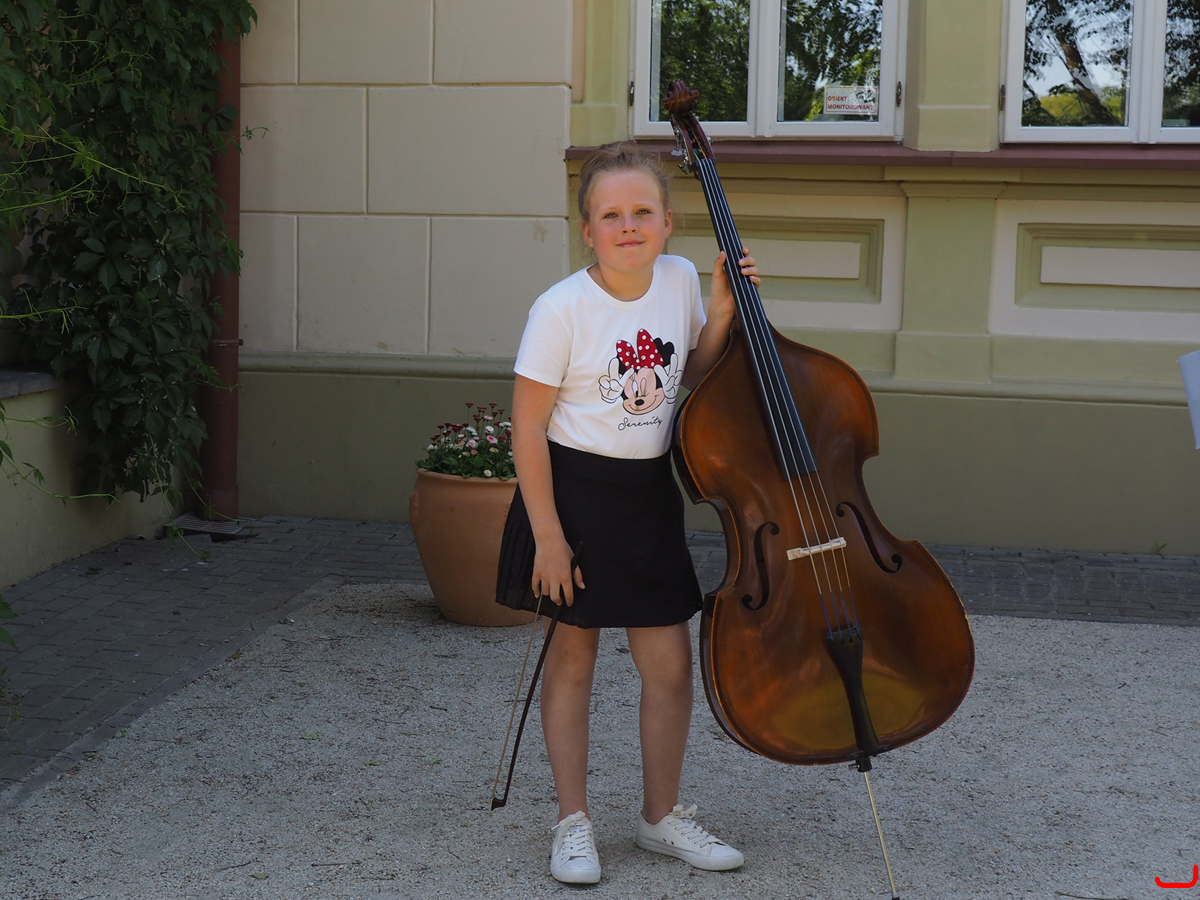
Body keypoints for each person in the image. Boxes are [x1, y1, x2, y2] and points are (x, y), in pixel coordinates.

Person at [495, 141, 760, 884]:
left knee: (669, 665)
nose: (628, 225)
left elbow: (688, 377)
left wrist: (720, 313)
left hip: (646, 496)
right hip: (571, 498)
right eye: (611, 215)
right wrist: (548, 538)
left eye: (643, 211)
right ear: (588, 231)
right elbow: (527, 429)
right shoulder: (560, 310)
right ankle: (572, 823)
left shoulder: (677, 280)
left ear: (668, 222)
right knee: (572, 659)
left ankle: (659, 818)